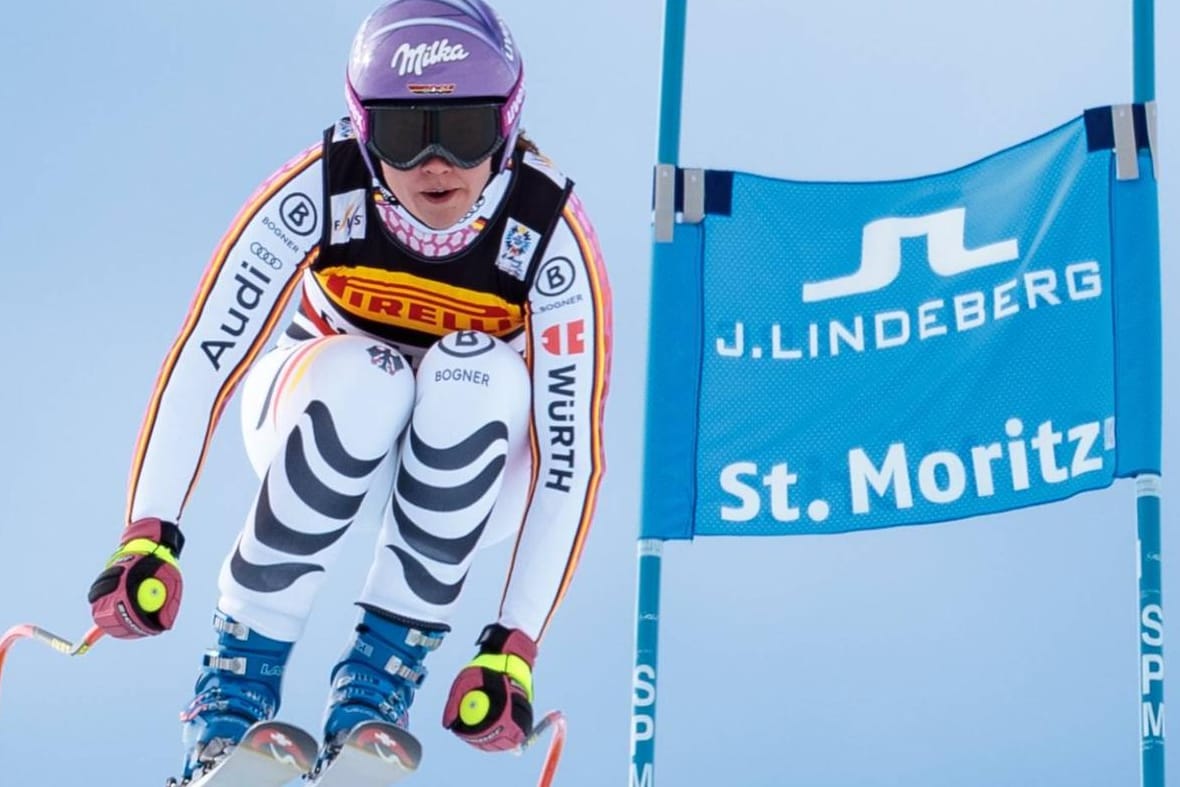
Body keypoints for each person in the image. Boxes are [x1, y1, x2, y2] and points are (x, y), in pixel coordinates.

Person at [85, 0, 611, 781]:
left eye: (464, 132)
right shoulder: (323, 188)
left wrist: (513, 644)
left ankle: (376, 690)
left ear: (508, 124)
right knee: (372, 372)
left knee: (482, 369)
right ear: (364, 130)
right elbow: (208, 354)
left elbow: (569, 458)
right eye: (405, 133)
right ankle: (234, 693)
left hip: (464, 476)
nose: (437, 165)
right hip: (315, 417)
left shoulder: (547, 232)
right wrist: (149, 531)